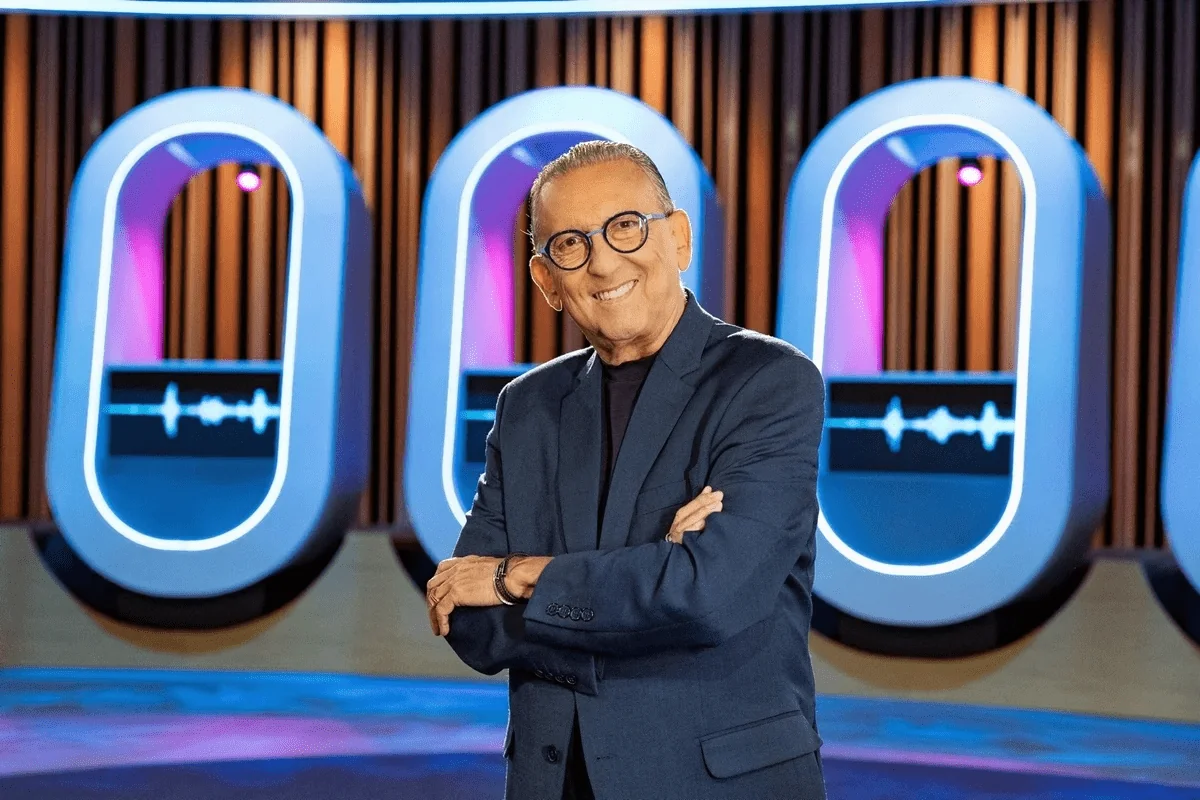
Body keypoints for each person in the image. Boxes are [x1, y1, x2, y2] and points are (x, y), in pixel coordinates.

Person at [425, 140, 827, 800]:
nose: (604, 260)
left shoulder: (768, 382)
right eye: (570, 244)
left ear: (679, 238)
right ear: (546, 280)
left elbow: (708, 597)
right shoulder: (528, 406)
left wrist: (516, 577)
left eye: (625, 226)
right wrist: (649, 575)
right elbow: (468, 623)